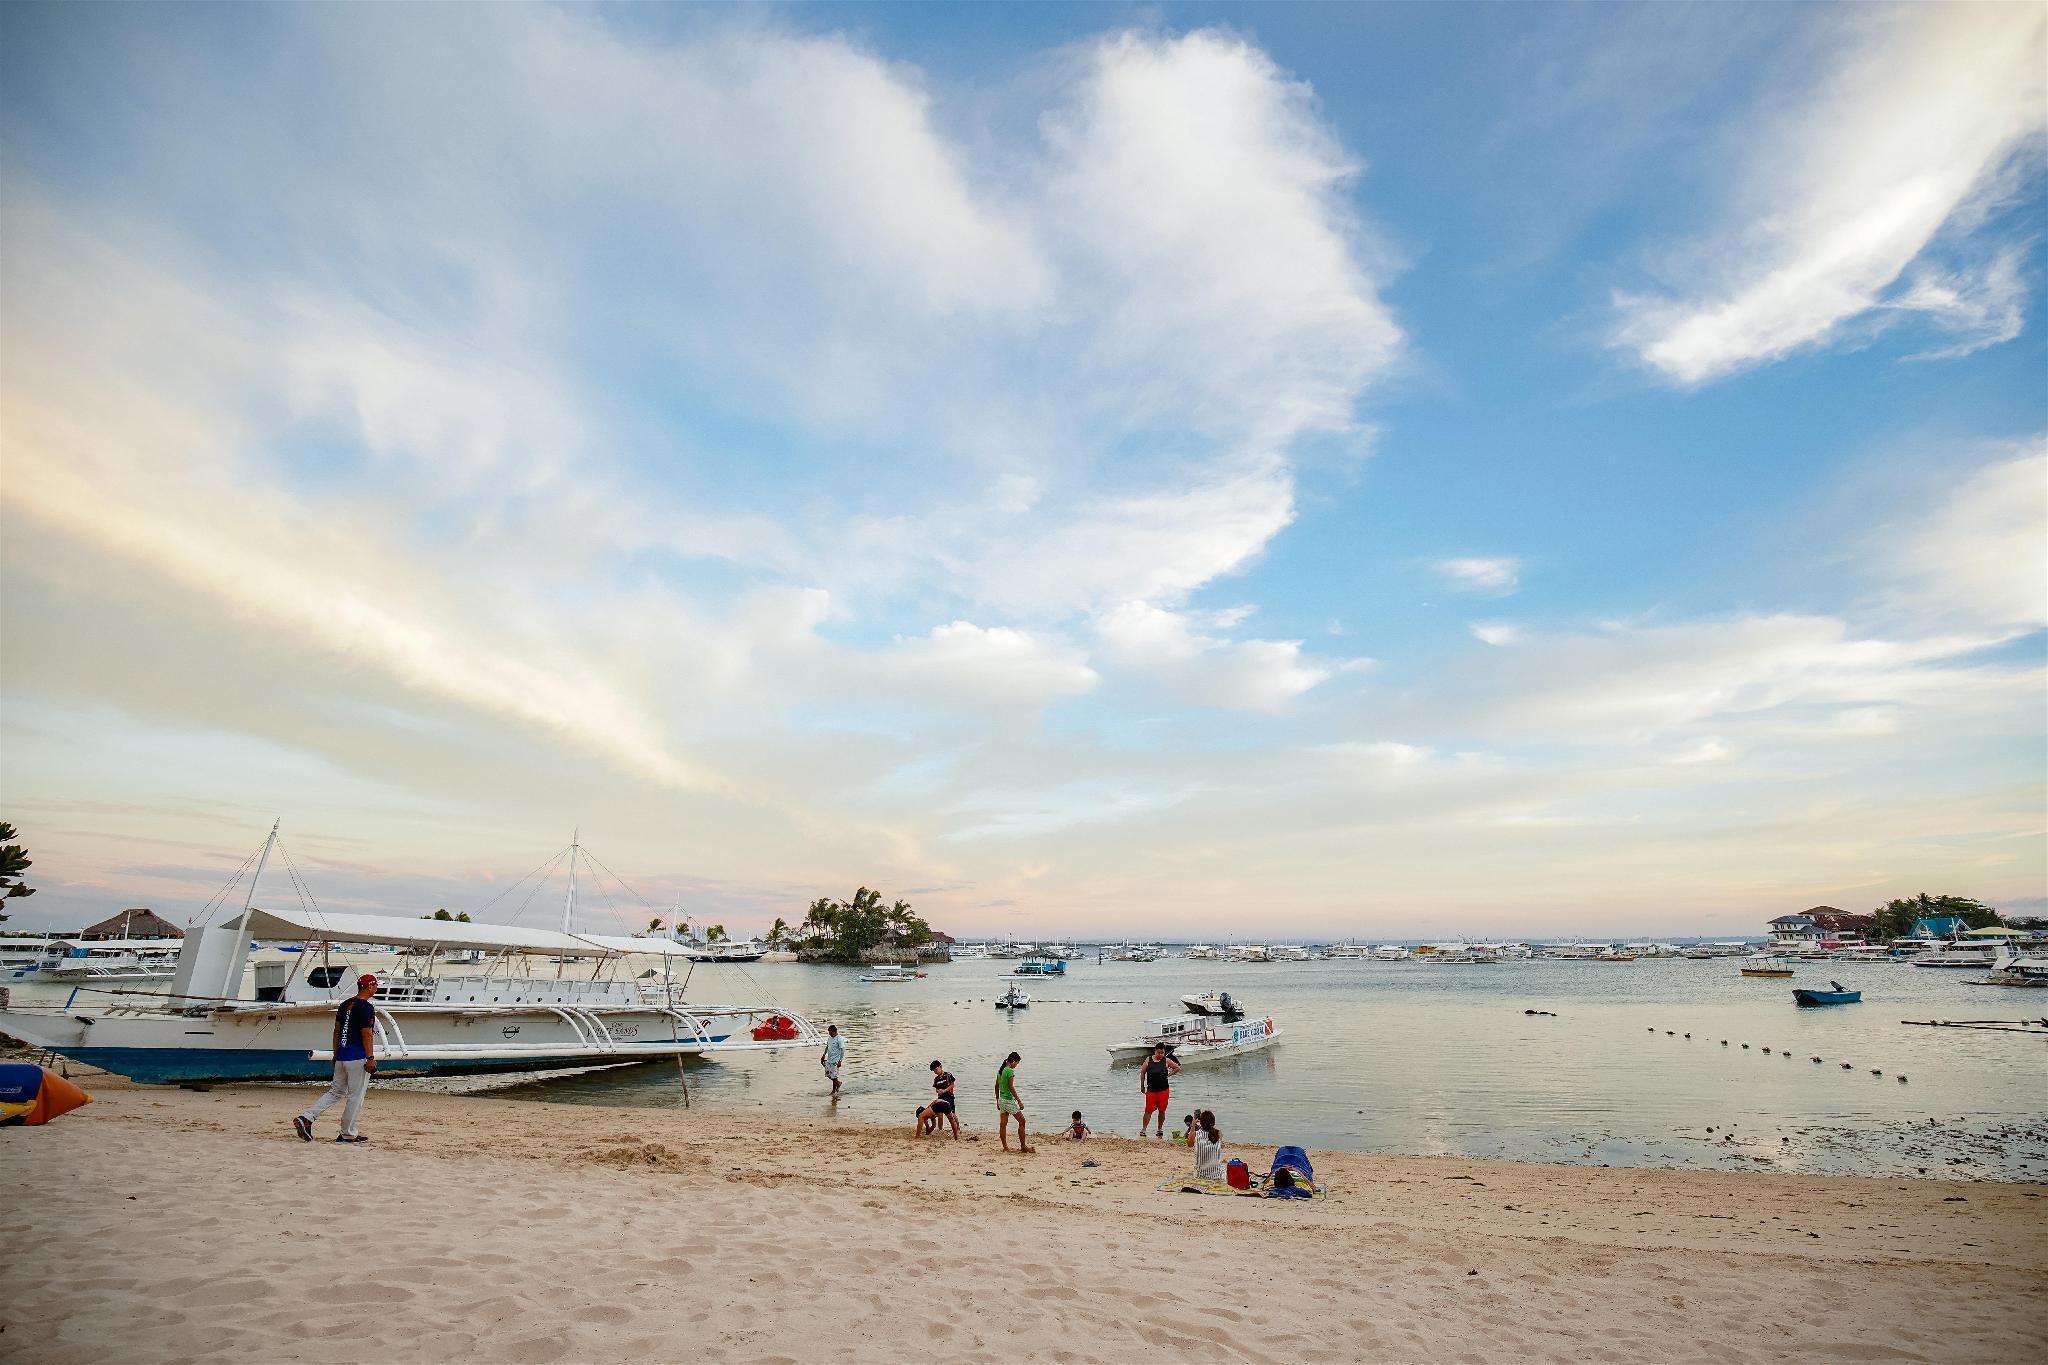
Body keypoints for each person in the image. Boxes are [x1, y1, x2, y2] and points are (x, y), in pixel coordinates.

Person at [294, 973, 378, 1144]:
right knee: (355, 1096)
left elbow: (337, 1031)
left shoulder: (345, 1005)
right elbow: (366, 1034)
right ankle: (347, 1133)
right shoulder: (366, 1007)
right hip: (357, 1057)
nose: (377, 989)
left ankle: (307, 1117)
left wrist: (335, 1053)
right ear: (370, 987)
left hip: (342, 1055)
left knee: (335, 1092)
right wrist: (370, 1057)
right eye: (376, 986)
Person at [1138, 1043, 1180, 1136]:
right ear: (1155, 1051)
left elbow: (1177, 1068)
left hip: (1163, 1090)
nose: (1160, 1054)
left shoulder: (1166, 1060)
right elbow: (1142, 1073)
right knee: (1148, 1110)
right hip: (1151, 1090)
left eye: (1162, 1053)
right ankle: (1144, 1129)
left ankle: (1160, 1129)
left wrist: (1169, 1074)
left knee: (1162, 1110)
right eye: (1159, 1052)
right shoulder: (1148, 1060)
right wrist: (1142, 1086)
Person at [995, 1051, 1033, 1153]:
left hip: (1002, 1101)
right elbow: (1011, 1087)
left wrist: (997, 1100)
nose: (1016, 1066)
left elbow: (996, 1086)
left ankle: (1005, 1147)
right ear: (1013, 1061)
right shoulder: (1009, 1071)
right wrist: (1019, 1101)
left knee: (1003, 1124)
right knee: (1022, 1121)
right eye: (1016, 1063)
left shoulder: (1000, 1071)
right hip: (1008, 1100)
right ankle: (1023, 1147)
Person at [914, 1059, 959, 1139]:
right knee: (940, 1114)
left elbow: (952, 1085)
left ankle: (957, 1127)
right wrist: (939, 1091)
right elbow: (936, 1089)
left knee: (952, 1114)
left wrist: (944, 1090)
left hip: (949, 1097)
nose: (935, 1071)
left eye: (936, 1069)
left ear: (940, 1066)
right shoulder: (936, 1079)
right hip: (940, 1098)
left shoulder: (948, 1075)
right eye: (934, 1071)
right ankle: (940, 1128)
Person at [1192, 1109, 1223, 1182]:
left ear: (1200, 1122)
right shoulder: (1218, 1133)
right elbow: (1212, 1130)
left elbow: (1189, 1144)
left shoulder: (1196, 1134)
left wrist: (1193, 1125)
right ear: (1213, 1122)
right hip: (1217, 1176)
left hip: (1200, 1176)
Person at [821, 1023, 845, 1098]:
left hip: (836, 1061)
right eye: (829, 1033)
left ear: (835, 1031)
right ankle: (838, 1083)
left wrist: (840, 1061)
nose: (830, 1034)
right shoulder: (830, 1038)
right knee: (828, 1074)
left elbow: (842, 1050)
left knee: (834, 1077)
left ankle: (834, 1091)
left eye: (831, 1033)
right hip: (829, 1059)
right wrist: (823, 1055)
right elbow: (827, 1046)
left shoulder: (839, 1039)